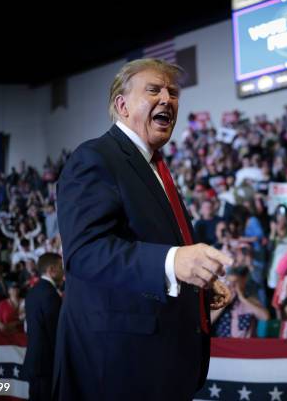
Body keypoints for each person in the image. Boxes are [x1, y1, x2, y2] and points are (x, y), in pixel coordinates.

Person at [55, 58, 233, 401]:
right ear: (122, 105)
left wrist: (197, 284)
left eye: (173, 92)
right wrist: (172, 263)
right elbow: (84, 253)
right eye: (154, 90)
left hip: (161, 366)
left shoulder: (156, 169)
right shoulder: (95, 157)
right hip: (117, 371)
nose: (168, 99)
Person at [22, 253, 64, 401]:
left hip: (35, 362)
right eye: (60, 267)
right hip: (46, 364)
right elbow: (55, 332)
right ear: (51, 269)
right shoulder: (50, 294)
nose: (63, 270)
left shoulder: (33, 292)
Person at [210, 266, 269, 338]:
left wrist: (242, 299)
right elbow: (208, 321)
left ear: (242, 283)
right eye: (229, 283)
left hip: (244, 345)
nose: (231, 286)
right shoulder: (219, 301)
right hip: (222, 345)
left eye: (235, 283)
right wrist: (224, 304)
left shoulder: (250, 300)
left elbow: (265, 317)